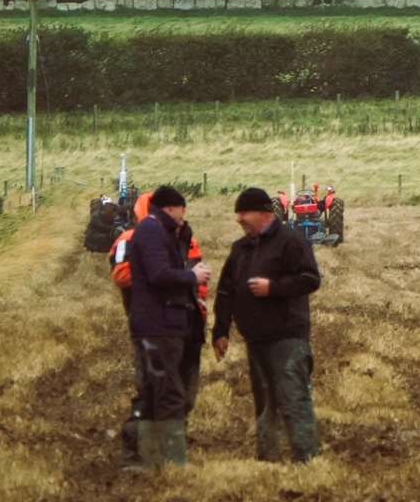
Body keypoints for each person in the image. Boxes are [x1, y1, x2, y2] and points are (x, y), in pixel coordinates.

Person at [214, 187, 324, 464]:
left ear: (264, 214)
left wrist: (272, 288)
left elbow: (310, 279)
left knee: (293, 397)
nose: (239, 218)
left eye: (244, 213)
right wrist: (220, 331)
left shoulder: (291, 241)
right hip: (256, 338)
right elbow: (226, 290)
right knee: (264, 401)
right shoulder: (240, 249)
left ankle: (306, 457)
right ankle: (268, 458)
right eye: (237, 213)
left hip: (287, 336)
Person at [111, 190, 208, 471]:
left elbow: (196, 282)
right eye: (180, 210)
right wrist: (187, 277)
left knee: (179, 393)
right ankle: (156, 456)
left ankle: (159, 452)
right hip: (158, 325)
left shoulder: (183, 238)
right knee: (159, 392)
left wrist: (198, 306)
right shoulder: (136, 238)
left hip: (185, 324)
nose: (183, 217)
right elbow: (128, 275)